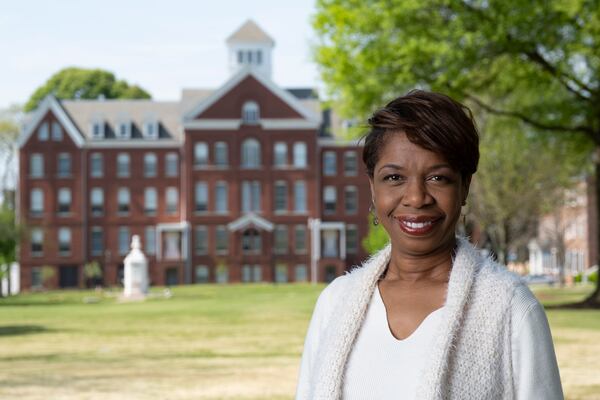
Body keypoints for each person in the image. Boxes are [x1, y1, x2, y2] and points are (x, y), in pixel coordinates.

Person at [295, 90, 563, 400]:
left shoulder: (511, 308)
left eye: (438, 178)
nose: (416, 197)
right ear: (373, 188)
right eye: (394, 177)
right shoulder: (334, 303)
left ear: (464, 187)